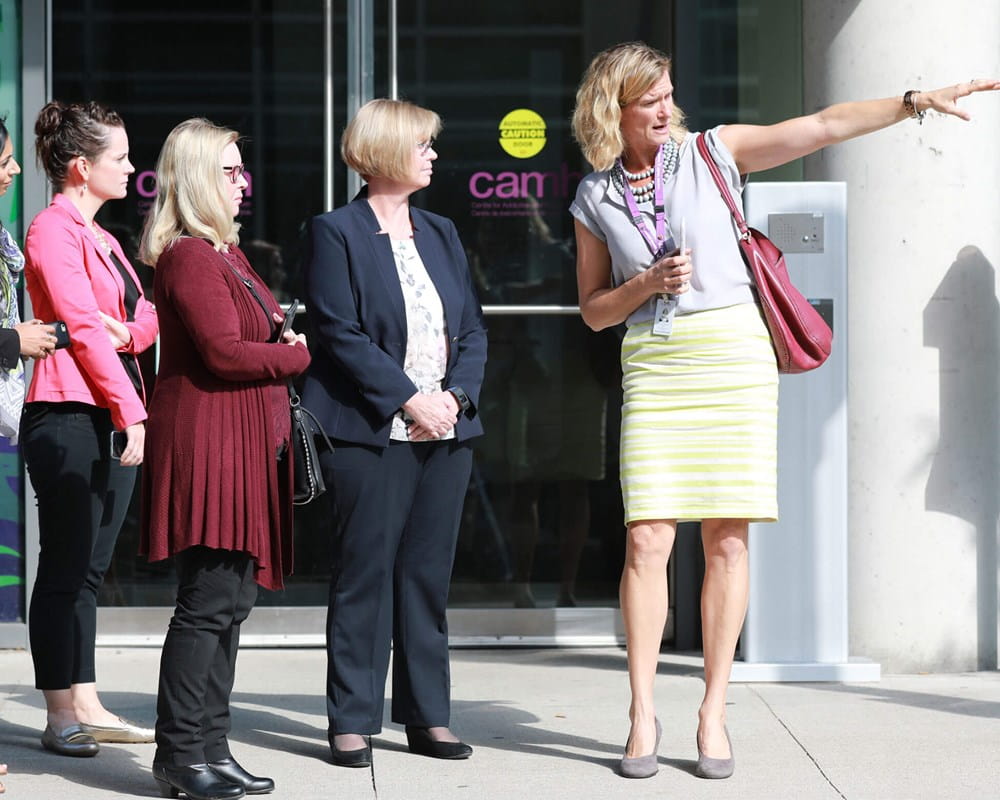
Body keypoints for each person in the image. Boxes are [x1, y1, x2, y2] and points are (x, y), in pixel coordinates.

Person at [569, 41, 1000, 781]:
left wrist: (912, 103)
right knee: (646, 541)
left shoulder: (713, 151)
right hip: (657, 363)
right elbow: (593, 312)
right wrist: (644, 285)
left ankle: (713, 709)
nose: (667, 107)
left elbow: (824, 125)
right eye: (650, 100)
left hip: (734, 355)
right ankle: (642, 712)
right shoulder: (593, 197)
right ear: (615, 110)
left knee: (727, 543)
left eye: (669, 92)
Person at [302, 98, 487, 767]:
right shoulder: (336, 231)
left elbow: (470, 330)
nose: (433, 155)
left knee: (425, 578)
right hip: (372, 432)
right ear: (384, 152)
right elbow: (338, 332)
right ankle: (351, 719)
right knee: (363, 575)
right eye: (422, 145)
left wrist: (455, 398)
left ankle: (427, 717)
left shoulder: (438, 231)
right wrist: (410, 400)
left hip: (447, 431)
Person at [139, 118, 310, 800]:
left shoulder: (225, 254)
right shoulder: (188, 256)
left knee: (231, 600)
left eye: (243, 171)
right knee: (208, 602)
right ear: (198, 180)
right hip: (210, 444)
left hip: (239, 443)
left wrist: (278, 338)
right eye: (231, 172)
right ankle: (182, 756)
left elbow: (249, 334)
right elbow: (224, 353)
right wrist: (295, 354)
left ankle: (212, 746)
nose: (244, 183)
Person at [21, 100, 158, 758]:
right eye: (120, 158)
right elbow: (77, 329)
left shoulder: (105, 239)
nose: (133, 168)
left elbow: (147, 315)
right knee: (66, 565)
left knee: (91, 568)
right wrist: (130, 408)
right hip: (69, 411)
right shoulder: (53, 229)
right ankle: (60, 713)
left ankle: (85, 698)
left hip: (108, 409)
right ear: (81, 167)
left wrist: (128, 331)